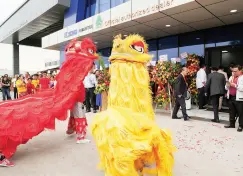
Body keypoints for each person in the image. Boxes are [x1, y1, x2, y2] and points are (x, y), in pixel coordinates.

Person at [0, 38, 98, 167]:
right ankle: (80, 135)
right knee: (32, 114)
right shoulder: (73, 73)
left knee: (74, 111)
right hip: (69, 95)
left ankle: (75, 131)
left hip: (71, 94)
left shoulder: (72, 72)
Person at [91, 34, 175, 175]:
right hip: (120, 110)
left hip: (138, 112)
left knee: (140, 129)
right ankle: (130, 161)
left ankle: (140, 157)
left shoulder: (138, 72)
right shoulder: (119, 71)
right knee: (118, 129)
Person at [225, 65, 243, 132]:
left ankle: (241, 126)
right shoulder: (231, 77)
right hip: (231, 97)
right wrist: (227, 86)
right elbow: (226, 88)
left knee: (240, 113)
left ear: (240, 71)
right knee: (231, 112)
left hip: (239, 98)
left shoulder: (242, 78)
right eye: (233, 71)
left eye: (236, 71)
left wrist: (234, 85)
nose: (234, 72)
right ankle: (231, 124)